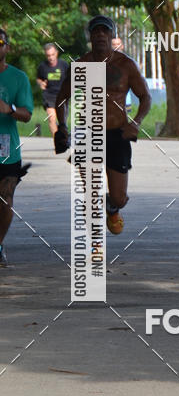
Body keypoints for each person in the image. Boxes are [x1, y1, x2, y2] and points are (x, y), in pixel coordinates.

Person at [54, 15, 152, 235]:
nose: (100, 35)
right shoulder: (80, 65)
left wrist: (136, 122)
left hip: (118, 134)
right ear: (90, 36)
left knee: (119, 197)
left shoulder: (125, 65)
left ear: (112, 35)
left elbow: (145, 96)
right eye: (96, 32)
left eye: (104, 32)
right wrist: (62, 126)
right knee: (90, 194)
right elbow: (62, 98)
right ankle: (93, 245)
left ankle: (112, 206)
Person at [0, 28, 34, 267]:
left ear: (7, 48)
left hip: (6, 150)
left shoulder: (18, 78)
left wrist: (9, 110)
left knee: (5, 200)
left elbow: (27, 114)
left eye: (0, 43)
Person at [36, 42, 68, 135]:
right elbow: (39, 78)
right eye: (48, 55)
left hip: (62, 95)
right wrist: (41, 83)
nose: (50, 57)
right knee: (51, 118)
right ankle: (57, 142)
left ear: (56, 53)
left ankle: (62, 136)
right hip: (49, 95)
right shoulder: (42, 66)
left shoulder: (64, 65)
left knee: (62, 121)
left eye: (52, 55)